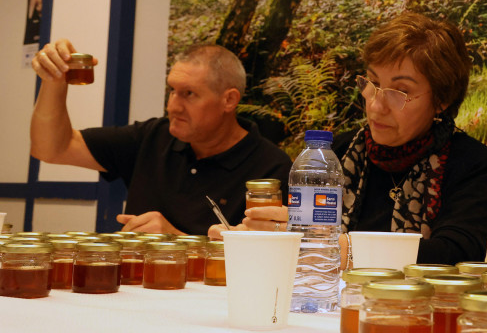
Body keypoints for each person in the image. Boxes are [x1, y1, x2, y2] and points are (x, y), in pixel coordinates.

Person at [211, 11, 487, 265]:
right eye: (372, 84)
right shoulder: (334, 154)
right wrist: (254, 236)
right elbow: (294, 236)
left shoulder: (473, 164)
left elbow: (457, 255)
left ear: (441, 99)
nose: (376, 105)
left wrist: (340, 250)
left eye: (398, 92)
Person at [30, 41, 292, 235]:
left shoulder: (271, 169)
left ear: (229, 100)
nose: (173, 107)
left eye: (189, 94)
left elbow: (266, 260)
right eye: (172, 91)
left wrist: (173, 239)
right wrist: (53, 80)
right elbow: (52, 148)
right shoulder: (152, 137)